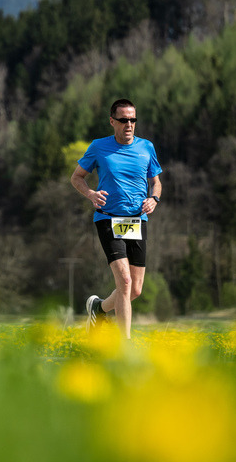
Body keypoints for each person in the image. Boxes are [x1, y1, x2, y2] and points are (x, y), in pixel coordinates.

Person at [70, 98, 162, 340]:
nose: (129, 124)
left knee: (135, 290)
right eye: (123, 120)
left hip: (137, 221)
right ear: (112, 122)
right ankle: (125, 344)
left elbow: (156, 182)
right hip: (108, 219)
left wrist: (154, 199)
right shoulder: (99, 147)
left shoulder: (146, 147)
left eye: (132, 120)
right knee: (124, 281)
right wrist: (91, 194)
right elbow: (77, 177)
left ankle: (98, 309)